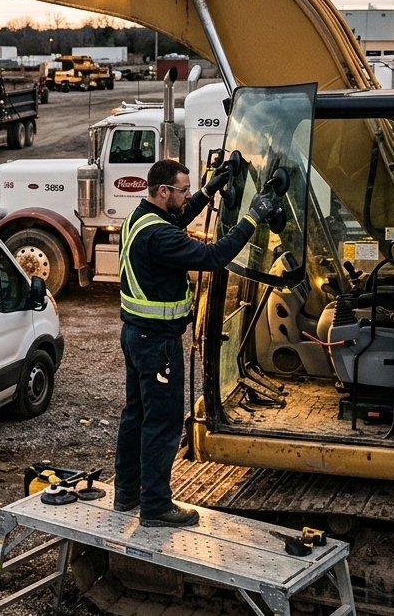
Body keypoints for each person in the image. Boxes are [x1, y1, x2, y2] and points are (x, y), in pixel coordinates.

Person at [114, 158, 280, 527]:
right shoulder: (160, 236)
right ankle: (155, 506)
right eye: (183, 190)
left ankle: (126, 493)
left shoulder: (140, 219)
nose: (187, 195)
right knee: (163, 423)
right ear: (163, 192)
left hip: (136, 337)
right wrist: (252, 217)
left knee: (136, 415)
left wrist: (207, 191)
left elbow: (178, 218)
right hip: (158, 344)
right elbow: (214, 256)